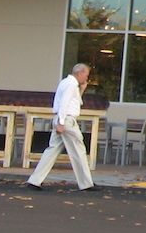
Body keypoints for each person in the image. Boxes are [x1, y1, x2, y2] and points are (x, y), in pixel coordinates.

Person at [27, 63, 96, 191]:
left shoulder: (66, 82)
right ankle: (86, 183)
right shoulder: (71, 84)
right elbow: (65, 103)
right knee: (78, 150)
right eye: (86, 75)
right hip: (67, 120)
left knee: (52, 150)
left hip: (61, 118)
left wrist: (81, 90)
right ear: (80, 73)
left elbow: (74, 101)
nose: (86, 78)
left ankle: (34, 180)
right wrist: (62, 122)